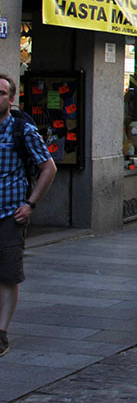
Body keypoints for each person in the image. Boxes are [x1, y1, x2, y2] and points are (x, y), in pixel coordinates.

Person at [0, 74, 57, 357]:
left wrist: (30, 204)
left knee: (8, 275)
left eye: (1, 93)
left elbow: (49, 168)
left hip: (11, 213)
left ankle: (2, 333)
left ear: (11, 99)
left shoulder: (22, 131)